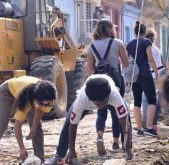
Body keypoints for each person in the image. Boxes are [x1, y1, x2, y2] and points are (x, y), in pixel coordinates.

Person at [45, 74, 133, 164]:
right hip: (89, 100)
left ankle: (127, 149)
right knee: (67, 123)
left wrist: (128, 147)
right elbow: (73, 125)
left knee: (126, 117)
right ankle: (59, 155)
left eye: (103, 103)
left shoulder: (114, 95)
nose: (101, 106)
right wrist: (72, 150)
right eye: (98, 104)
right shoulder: (82, 100)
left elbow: (125, 124)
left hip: (109, 99)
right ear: (91, 100)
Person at [0, 76, 57, 165]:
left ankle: (39, 159)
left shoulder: (49, 95)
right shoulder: (26, 100)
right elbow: (17, 126)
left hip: (26, 92)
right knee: (1, 126)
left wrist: (34, 127)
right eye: (42, 102)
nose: (45, 104)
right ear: (37, 98)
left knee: (37, 126)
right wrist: (22, 148)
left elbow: (41, 109)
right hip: (7, 91)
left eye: (46, 103)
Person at [87, 19, 129, 153]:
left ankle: (99, 136)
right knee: (117, 111)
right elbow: (126, 63)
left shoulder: (92, 46)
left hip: (99, 81)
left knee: (101, 111)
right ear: (111, 29)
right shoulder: (117, 43)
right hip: (116, 81)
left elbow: (89, 69)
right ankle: (116, 142)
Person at [126, 21, 159, 136]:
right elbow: (150, 59)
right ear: (144, 32)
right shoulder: (146, 42)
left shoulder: (129, 44)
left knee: (137, 102)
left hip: (134, 75)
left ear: (135, 32)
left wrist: (127, 77)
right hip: (145, 73)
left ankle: (140, 129)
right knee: (152, 100)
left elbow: (126, 62)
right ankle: (149, 127)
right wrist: (156, 72)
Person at [141, 28, 165, 130]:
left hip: (151, 75)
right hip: (160, 73)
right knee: (157, 100)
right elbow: (162, 63)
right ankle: (153, 123)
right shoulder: (157, 49)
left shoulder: (145, 49)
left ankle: (146, 122)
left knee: (146, 99)